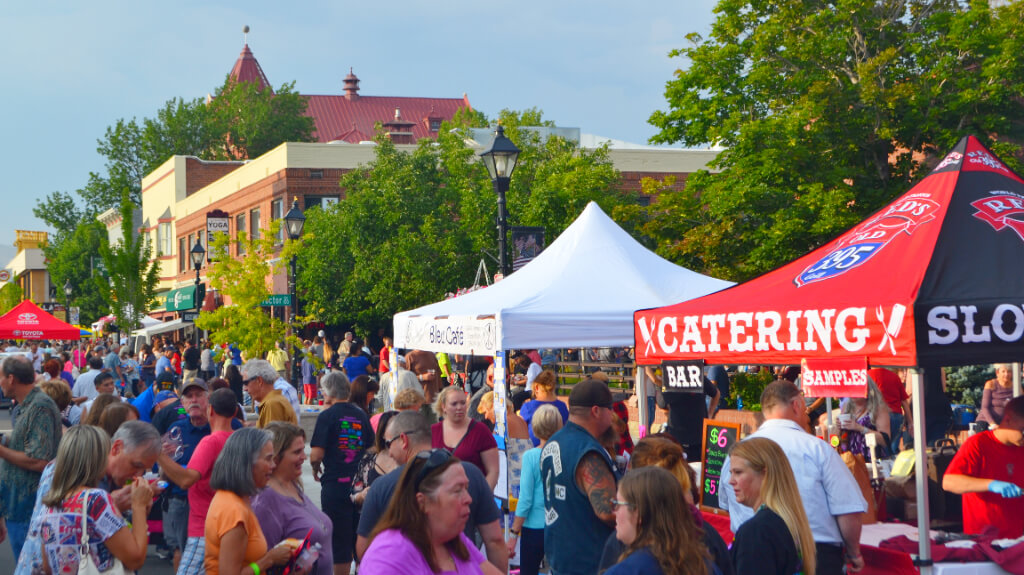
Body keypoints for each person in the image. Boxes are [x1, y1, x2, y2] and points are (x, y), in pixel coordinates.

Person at [719, 380, 866, 575]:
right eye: (806, 409)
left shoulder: (737, 453)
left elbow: (725, 505)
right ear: (796, 404)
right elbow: (847, 507)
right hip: (812, 553)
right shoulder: (817, 449)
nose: (807, 416)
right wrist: (853, 552)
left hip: (757, 549)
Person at [356, 411, 506, 571]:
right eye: (457, 490)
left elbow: (362, 548)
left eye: (466, 488)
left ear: (403, 440)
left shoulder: (454, 540)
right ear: (422, 502)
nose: (469, 498)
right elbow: (494, 540)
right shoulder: (389, 556)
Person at [14, 420, 164, 575]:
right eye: (136, 465)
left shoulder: (59, 495)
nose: (138, 474)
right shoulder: (95, 497)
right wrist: (136, 506)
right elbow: (135, 558)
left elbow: (52, 550)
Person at [598, 435, 733, 575]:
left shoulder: (626, 566)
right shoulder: (704, 559)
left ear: (639, 511)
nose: (614, 511)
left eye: (618, 504)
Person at [159, 388, 242, 575]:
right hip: (227, 519)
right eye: (189, 396)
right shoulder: (239, 437)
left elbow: (187, 480)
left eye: (199, 396)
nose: (194, 400)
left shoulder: (210, 442)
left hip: (205, 523)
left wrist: (157, 454)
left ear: (209, 409)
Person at [541, 378, 618, 575]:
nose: (613, 414)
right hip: (588, 563)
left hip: (560, 558)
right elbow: (609, 511)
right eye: (610, 408)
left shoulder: (553, 441)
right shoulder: (588, 453)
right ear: (596, 411)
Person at [204, 427, 294, 575]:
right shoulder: (234, 512)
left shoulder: (236, 499)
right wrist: (269, 560)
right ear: (247, 463)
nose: (273, 465)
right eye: (268, 459)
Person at [310, 371, 374, 575]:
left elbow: (316, 454)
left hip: (335, 485)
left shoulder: (326, 416)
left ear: (329, 391)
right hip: (359, 486)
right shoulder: (361, 415)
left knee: (339, 542)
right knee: (361, 536)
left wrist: (314, 468)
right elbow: (372, 449)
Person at [0, 354, 62, 558]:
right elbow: (26, 446)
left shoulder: (39, 406)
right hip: (18, 505)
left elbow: (39, 461)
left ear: (11, 379)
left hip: (29, 507)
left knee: (29, 565)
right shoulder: (28, 405)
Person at [253, 422, 334, 575]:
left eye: (303, 450)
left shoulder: (292, 484)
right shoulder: (265, 501)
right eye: (297, 452)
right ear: (276, 457)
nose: (304, 457)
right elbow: (264, 562)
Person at [729, 437, 817, 575]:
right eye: (731, 473)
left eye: (738, 472)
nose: (731, 481)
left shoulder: (756, 531)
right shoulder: (788, 520)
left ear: (765, 474)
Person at [600, 467, 711, 575]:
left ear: (639, 514)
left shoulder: (626, 571)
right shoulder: (704, 565)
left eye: (618, 504)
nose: (615, 512)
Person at [943, 395, 1024, 538]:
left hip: (1018, 539)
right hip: (983, 540)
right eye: (1023, 429)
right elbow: (949, 482)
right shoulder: (978, 444)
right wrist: (991, 484)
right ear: (1008, 419)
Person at [507, 404, 563, 575]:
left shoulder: (531, 456)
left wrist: (513, 533)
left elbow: (525, 500)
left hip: (534, 526)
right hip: (560, 524)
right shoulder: (564, 453)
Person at [432, 386, 499, 489]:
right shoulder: (433, 431)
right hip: (443, 499)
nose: (459, 407)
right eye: (454, 404)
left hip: (473, 496)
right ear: (443, 407)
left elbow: (493, 470)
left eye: (463, 403)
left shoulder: (480, 430)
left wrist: (484, 495)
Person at [659, 368, 720, 462]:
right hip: (678, 437)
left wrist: (710, 414)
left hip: (697, 437)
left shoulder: (698, 377)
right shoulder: (672, 380)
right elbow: (662, 403)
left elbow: (716, 393)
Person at [838, 380, 891, 459]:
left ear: (867, 389)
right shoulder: (846, 407)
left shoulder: (878, 408)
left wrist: (859, 428)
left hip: (871, 459)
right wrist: (839, 427)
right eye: (850, 388)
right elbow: (842, 437)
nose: (853, 391)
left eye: (857, 388)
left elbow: (885, 441)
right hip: (851, 460)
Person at [518, 369, 569, 446]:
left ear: (537, 388)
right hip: (558, 448)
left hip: (534, 449)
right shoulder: (562, 406)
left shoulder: (528, 407)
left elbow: (521, 432)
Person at [868, 367, 911, 454]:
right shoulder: (894, 376)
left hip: (879, 417)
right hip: (896, 416)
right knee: (893, 448)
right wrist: (910, 422)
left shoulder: (867, 376)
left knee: (882, 449)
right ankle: (894, 465)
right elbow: (904, 401)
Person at [243, 358, 297, 427]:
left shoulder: (272, 404)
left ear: (259, 381)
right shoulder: (275, 400)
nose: (245, 389)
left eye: (246, 383)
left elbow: (271, 436)